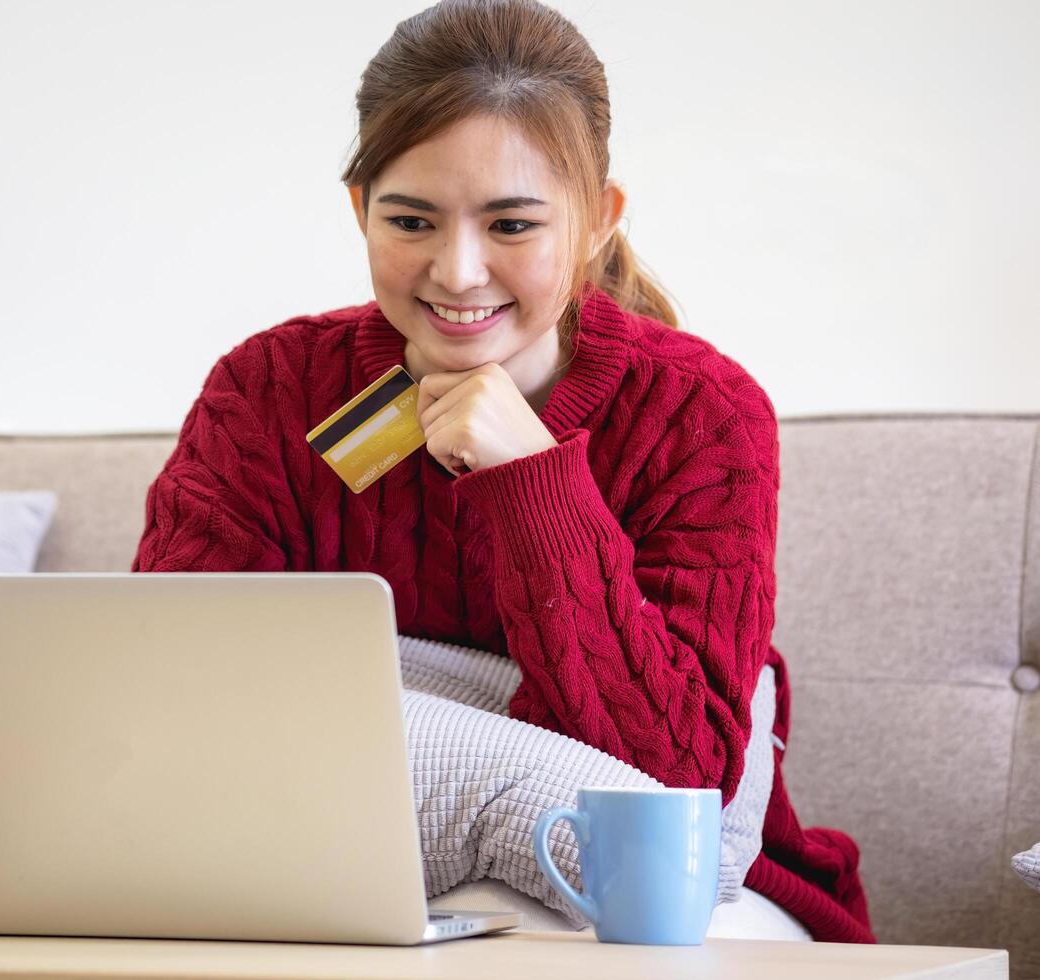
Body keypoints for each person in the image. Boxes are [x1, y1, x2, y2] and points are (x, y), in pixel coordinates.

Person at [132, 0, 873, 944]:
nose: (458, 271)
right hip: (329, 871)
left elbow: (671, 780)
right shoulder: (269, 392)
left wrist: (533, 480)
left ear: (597, 219)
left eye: (513, 225)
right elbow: (172, 711)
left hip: (664, 900)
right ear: (360, 208)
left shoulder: (701, 411)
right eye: (411, 220)